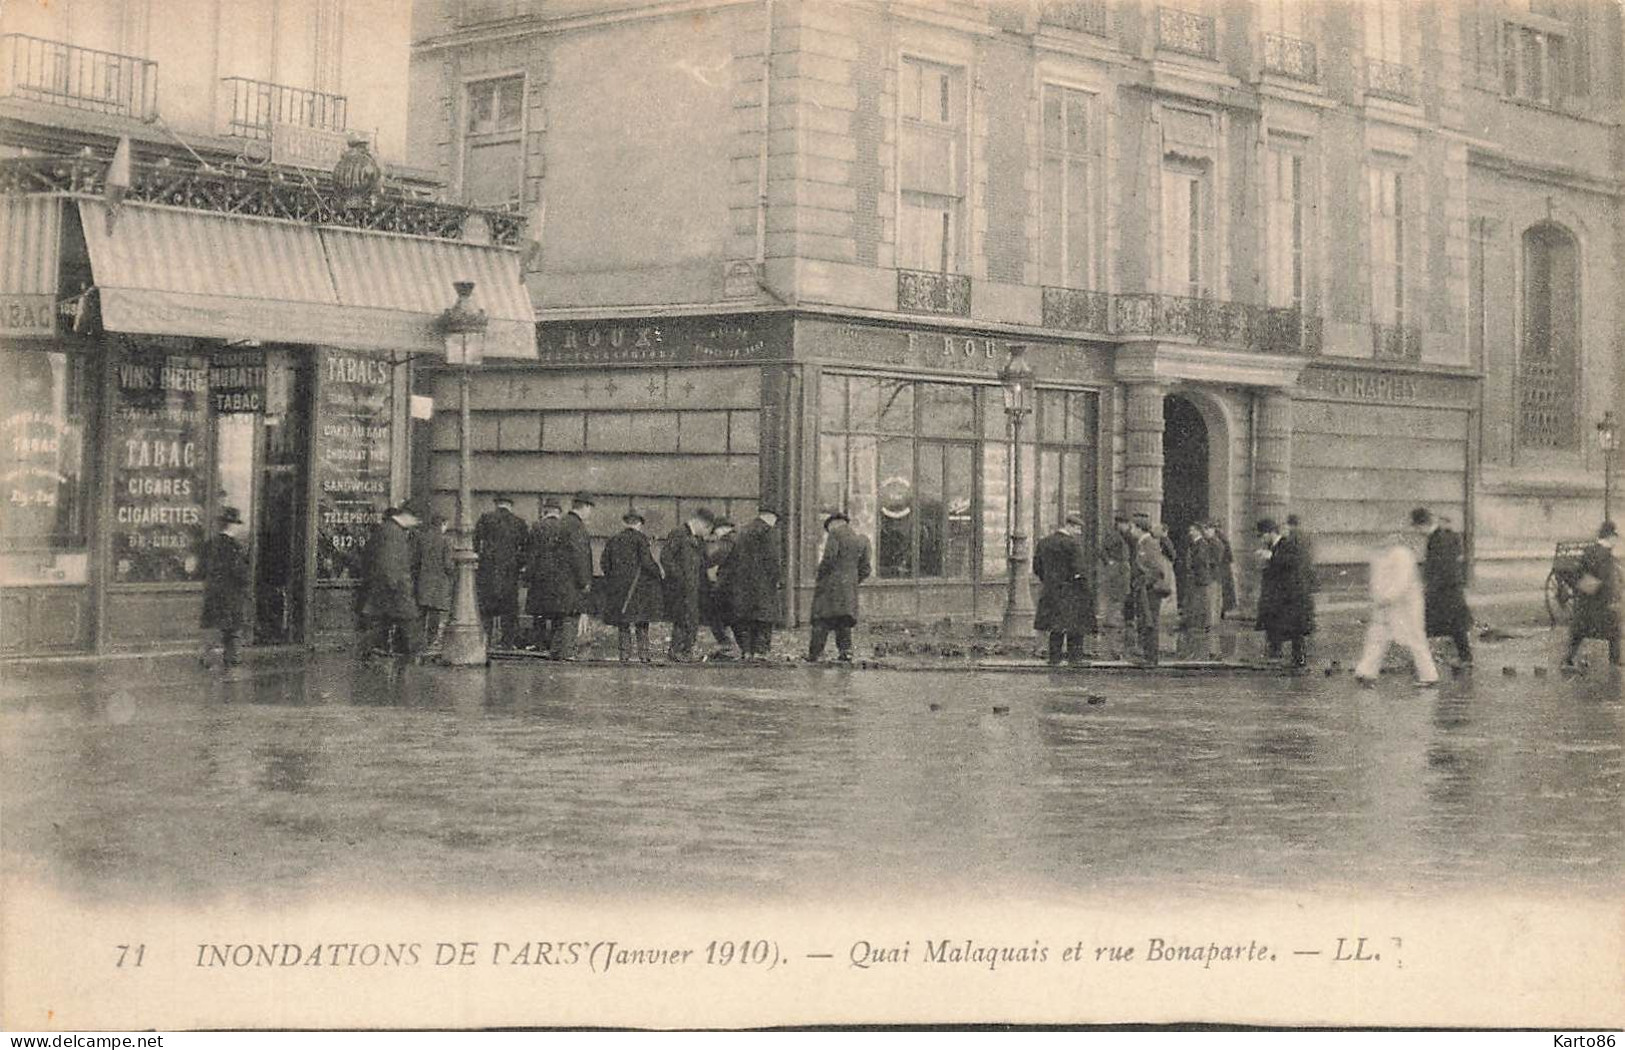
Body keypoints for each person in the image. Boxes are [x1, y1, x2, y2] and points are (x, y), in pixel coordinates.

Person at [1354, 531, 1439, 687]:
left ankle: (1429, 675)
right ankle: (1366, 671)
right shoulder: (1381, 555)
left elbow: (1402, 581)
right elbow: (1377, 579)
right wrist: (1379, 597)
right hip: (1387, 604)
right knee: (1377, 636)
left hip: (1405, 605)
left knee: (1415, 638)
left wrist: (1387, 597)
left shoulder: (1401, 554)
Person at [532, 493, 595, 660]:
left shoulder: (562, 523)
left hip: (556, 582)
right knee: (570, 617)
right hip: (571, 583)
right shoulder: (577, 527)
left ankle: (556, 653)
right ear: (586, 507)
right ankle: (566, 655)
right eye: (590, 509)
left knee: (560, 618)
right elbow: (579, 556)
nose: (590, 514)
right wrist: (585, 581)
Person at [808, 509, 873, 662]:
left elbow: (829, 558)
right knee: (844, 621)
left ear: (834, 524)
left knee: (821, 620)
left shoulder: (835, 534)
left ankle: (814, 654)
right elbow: (866, 569)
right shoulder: (862, 539)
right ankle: (846, 652)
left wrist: (820, 576)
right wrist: (852, 582)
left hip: (830, 587)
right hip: (849, 589)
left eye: (828, 527)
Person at [600, 508, 664, 662]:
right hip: (638, 589)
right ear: (639, 524)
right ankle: (643, 655)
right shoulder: (641, 539)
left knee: (623, 622)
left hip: (619, 589)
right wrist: (659, 573)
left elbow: (604, 563)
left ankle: (624, 654)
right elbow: (647, 563)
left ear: (625, 523)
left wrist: (614, 579)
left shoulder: (613, 539)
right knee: (641, 622)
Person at [1412, 507, 1473, 667]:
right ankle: (1464, 658)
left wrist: (1429, 588)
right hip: (1450, 588)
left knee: (1428, 623)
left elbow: (1441, 566)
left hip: (1444, 589)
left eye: (1417, 528)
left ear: (1422, 525)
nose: (1418, 532)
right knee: (1455, 625)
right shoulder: (1444, 536)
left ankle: (1425, 662)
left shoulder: (1437, 539)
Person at [1033, 512, 1094, 666]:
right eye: (1078, 529)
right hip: (1071, 590)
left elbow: (1037, 567)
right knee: (1075, 625)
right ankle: (1075, 659)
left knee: (1055, 626)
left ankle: (1054, 658)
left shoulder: (1044, 542)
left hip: (1051, 590)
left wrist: (1048, 581)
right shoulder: (1072, 544)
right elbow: (1078, 569)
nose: (1079, 533)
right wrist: (1083, 587)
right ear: (1069, 526)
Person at [724, 504, 783, 661]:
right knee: (763, 619)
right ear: (772, 518)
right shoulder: (768, 532)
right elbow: (773, 560)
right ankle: (760, 652)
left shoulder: (744, 531)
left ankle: (746, 651)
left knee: (745, 619)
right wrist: (777, 578)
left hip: (743, 585)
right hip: (763, 585)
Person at [1255, 518, 1314, 668]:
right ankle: (1275, 654)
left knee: (1294, 628)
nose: (1262, 539)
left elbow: (1293, 562)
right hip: (1279, 595)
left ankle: (1298, 659)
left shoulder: (1287, 544)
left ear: (1270, 533)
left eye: (1262, 535)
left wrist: (1271, 557)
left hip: (1290, 595)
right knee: (1275, 623)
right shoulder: (1273, 546)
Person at [474, 493, 529, 649]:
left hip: (487, 571)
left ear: (496, 503)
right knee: (509, 610)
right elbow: (526, 548)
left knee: (486, 609)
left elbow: (475, 542)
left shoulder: (485, 518)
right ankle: (507, 643)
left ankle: (484, 642)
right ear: (510, 505)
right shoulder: (519, 523)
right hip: (509, 572)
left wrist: (480, 559)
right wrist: (519, 564)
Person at [1563, 520, 1621, 670]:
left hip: (1586, 603)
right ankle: (1615, 662)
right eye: (1615, 536)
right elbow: (1605, 579)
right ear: (1610, 537)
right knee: (1614, 629)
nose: (1616, 540)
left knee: (1579, 632)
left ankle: (1568, 659)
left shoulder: (1591, 550)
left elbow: (1579, 574)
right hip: (1599, 604)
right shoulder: (1605, 554)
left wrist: (1586, 589)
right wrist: (1609, 595)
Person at [364, 504, 420, 657]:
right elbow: (389, 562)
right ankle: (411, 656)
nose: (416, 523)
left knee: (385, 622)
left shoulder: (390, 529)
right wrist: (396, 585)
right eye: (415, 519)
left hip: (390, 586)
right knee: (408, 621)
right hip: (395, 587)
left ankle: (382, 651)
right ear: (406, 516)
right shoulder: (393, 532)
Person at [661, 507, 715, 662]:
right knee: (683, 617)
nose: (706, 533)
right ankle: (679, 651)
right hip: (680, 586)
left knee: (692, 618)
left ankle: (685, 650)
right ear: (698, 522)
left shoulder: (698, 539)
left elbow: (704, 561)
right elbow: (666, 557)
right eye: (706, 528)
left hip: (694, 585)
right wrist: (679, 577)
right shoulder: (678, 533)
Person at [199, 506, 250, 669]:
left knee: (213, 628)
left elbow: (201, 570)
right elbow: (240, 573)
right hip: (231, 595)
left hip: (213, 593)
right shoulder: (235, 547)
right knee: (232, 631)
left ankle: (207, 658)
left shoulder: (209, 545)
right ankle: (231, 660)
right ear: (233, 526)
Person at [523, 498, 565, 651]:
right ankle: (555, 645)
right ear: (559, 512)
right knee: (557, 613)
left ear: (545, 511)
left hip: (539, 577)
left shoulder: (537, 526)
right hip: (559, 578)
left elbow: (531, 554)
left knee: (539, 613)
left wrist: (528, 575)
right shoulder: (563, 527)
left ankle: (539, 644)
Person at [1127, 513, 1168, 667]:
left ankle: (1150, 657)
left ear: (1138, 528)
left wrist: (1144, 582)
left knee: (1150, 622)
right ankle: (1147, 655)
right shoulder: (1142, 543)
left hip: (1150, 590)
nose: (1130, 531)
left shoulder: (1149, 543)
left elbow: (1156, 569)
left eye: (1132, 527)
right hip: (1143, 589)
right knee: (1145, 621)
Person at [415, 512, 454, 656]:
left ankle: (417, 642)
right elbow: (448, 565)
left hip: (423, 581)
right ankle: (430, 643)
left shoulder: (422, 538)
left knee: (421, 613)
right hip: (438, 582)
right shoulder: (446, 541)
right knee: (435, 614)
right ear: (442, 524)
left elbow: (415, 560)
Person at [1180, 522, 1219, 659]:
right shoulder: (1197, 544)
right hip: (1197, 580)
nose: (1190, 532)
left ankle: (1200, 651)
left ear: (1198, 531)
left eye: (1192, 530)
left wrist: (1192, 569)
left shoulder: (1201, 544)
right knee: (1197, 611)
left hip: (1199, 581)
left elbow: (1200, 561)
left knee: (1200, 611)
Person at [701, 518, 739, 658]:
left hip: (726, 585)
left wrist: (704, 563)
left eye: (716, 531)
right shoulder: (738, 538)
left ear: (722, 529)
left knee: (714, 614)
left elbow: (719, 556)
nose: (715, 535)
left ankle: (726, 644)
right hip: (736, 585)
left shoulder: (727, 540)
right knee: (732, 618)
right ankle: (738, 648)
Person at [1097, 512, 1133, 652]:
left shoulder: (1121, 536)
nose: (1128, 527)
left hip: (1119, 575)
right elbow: (1103, 551)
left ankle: (1114, 645)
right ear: (1120, 524)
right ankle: (1112, 647)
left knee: (1116, 608)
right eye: (1126, 524)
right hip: (1117, 577)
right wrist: (1111, 563)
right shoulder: (1114, 536)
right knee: (1114, 608)